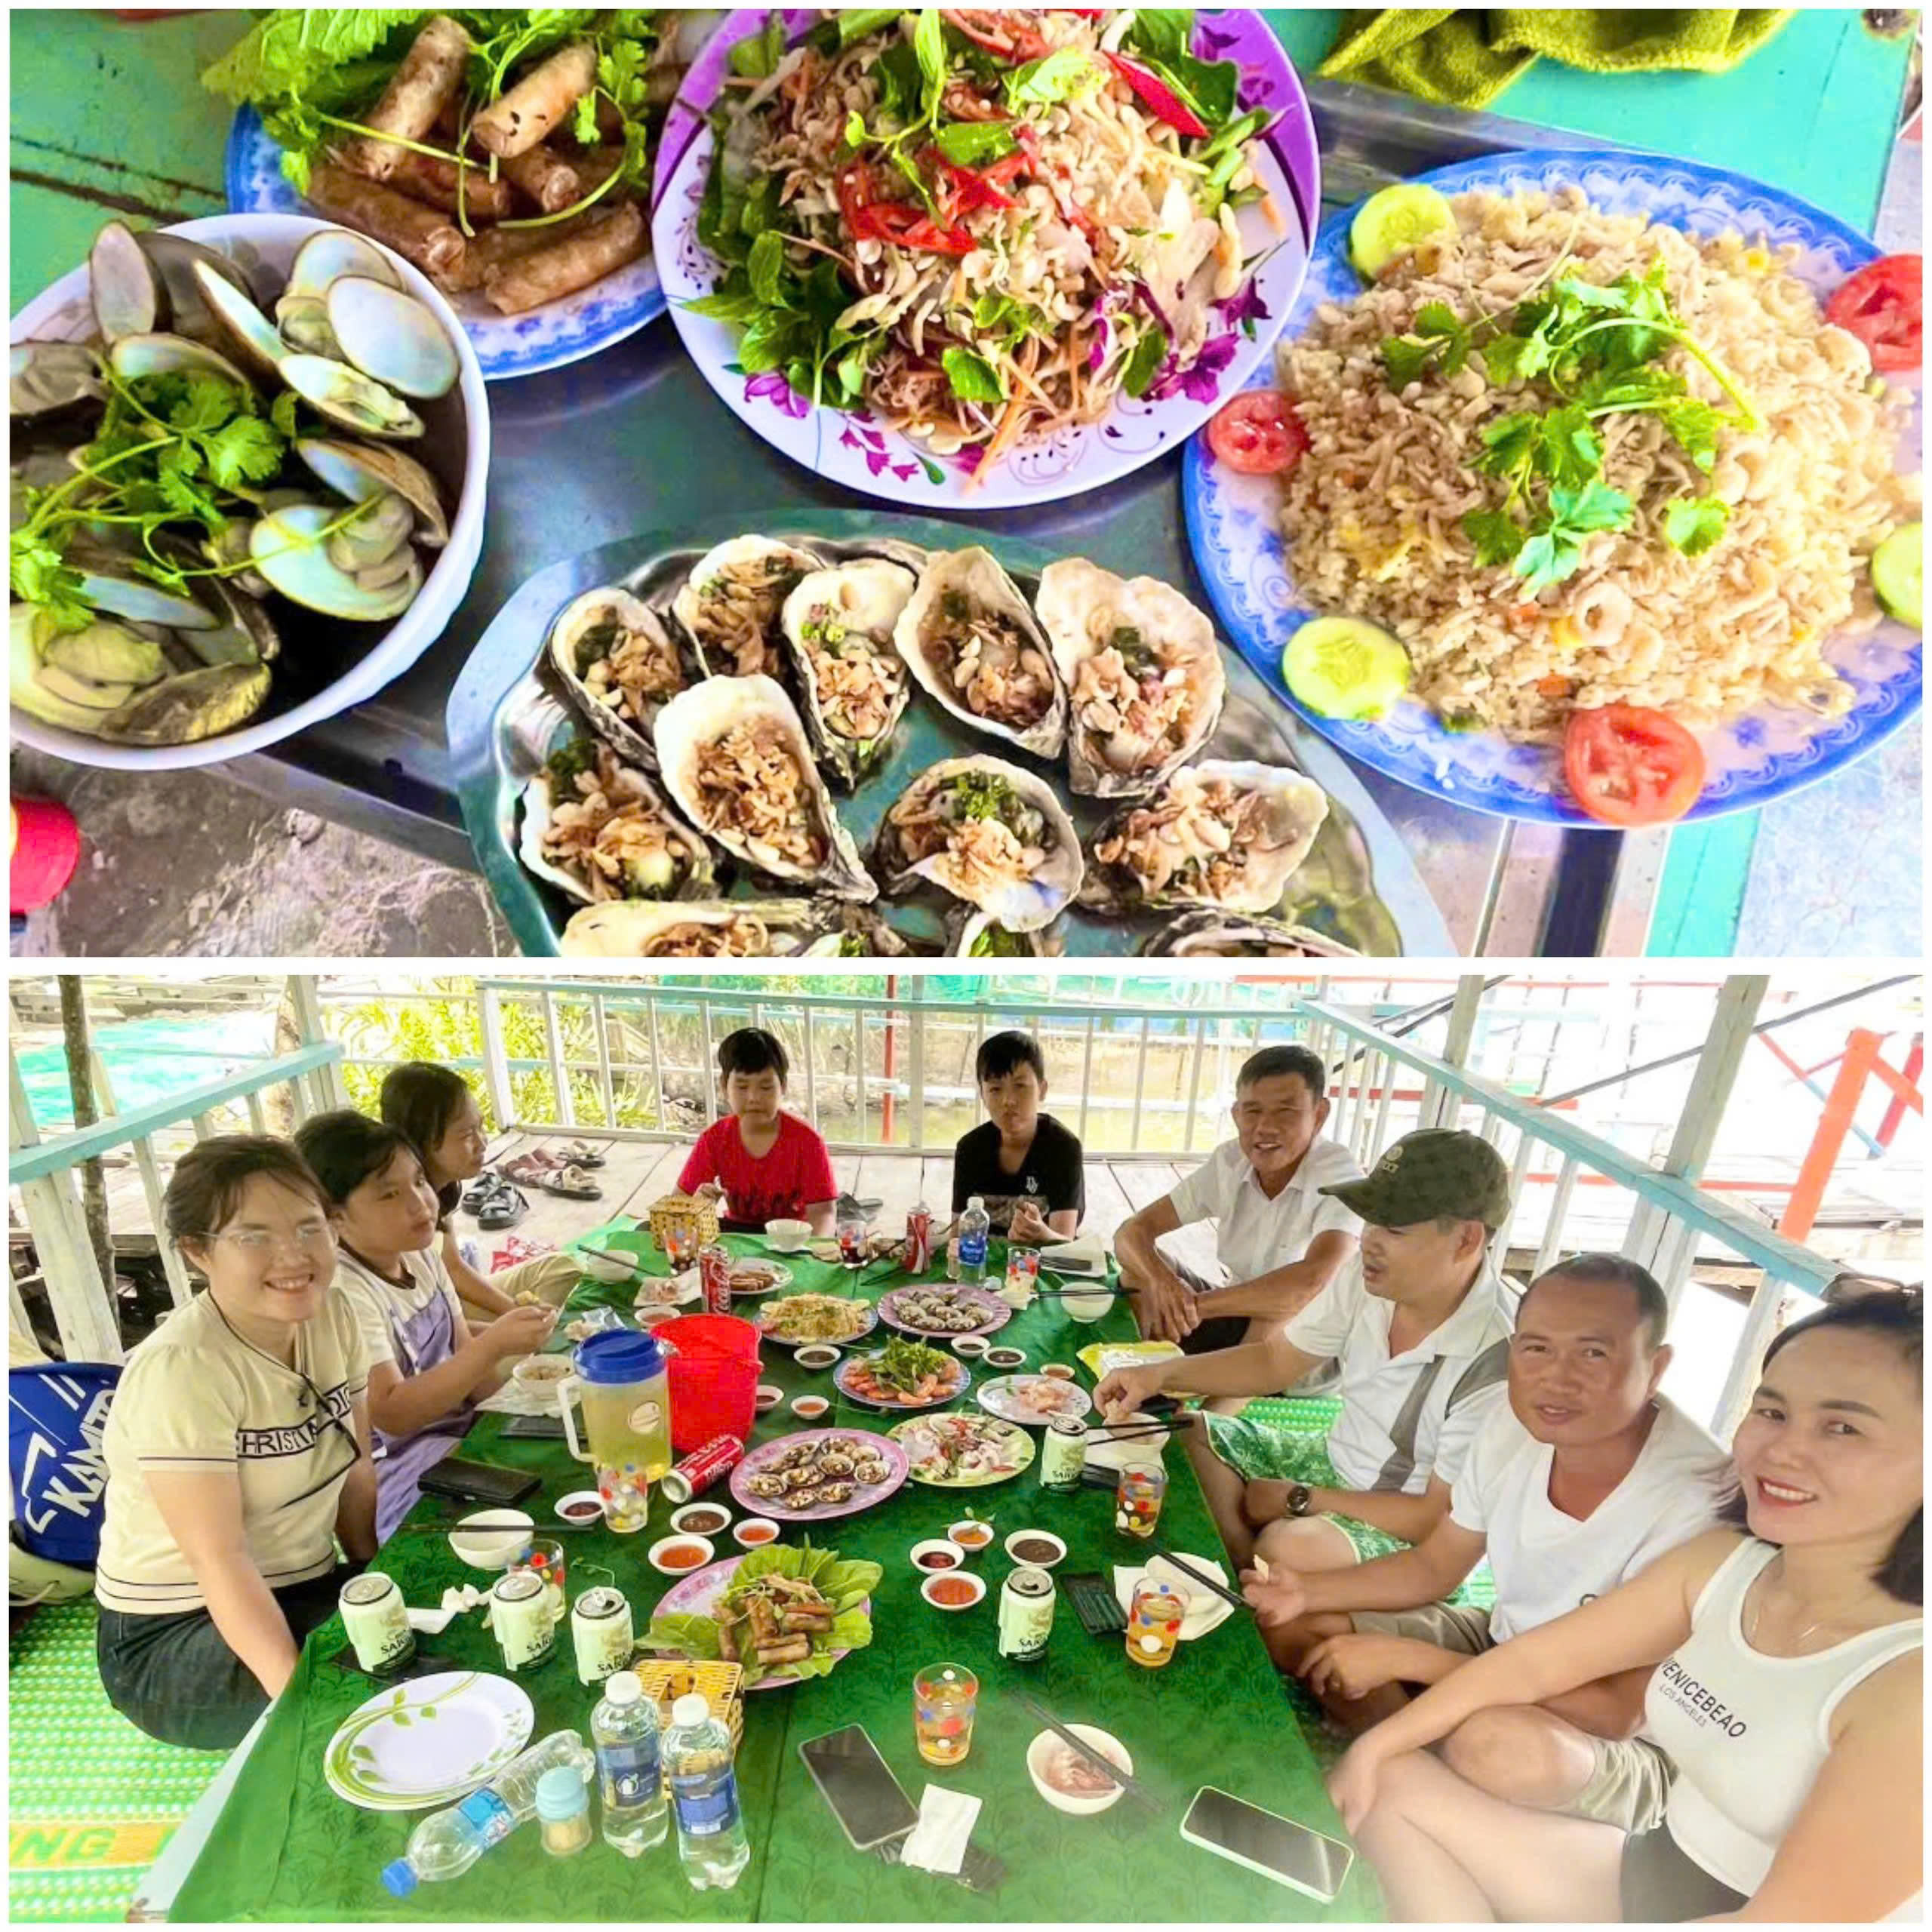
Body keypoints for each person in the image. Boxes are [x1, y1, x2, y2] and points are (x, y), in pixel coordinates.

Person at [1328, 1289, 1923, 1923]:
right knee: (1386, 1784)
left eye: (1843, 1427)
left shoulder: (1909, 1686)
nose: (1782, 1451)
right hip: (1642, 1874)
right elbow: (1530, 1666)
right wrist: (1374, 1748)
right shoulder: (1725, 1565)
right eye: (1772, 1412)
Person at [1242, 1254, 1731, 1839]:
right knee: (1296, 1626)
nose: (1557, 1377)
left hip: (1619, 1739)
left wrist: (1407, 1660)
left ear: (1656, 1368)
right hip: (1501, 1645)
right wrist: (1305, 1593)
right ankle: (1406, 1772)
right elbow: (1433, 1567)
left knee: (1500, 1746)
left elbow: (1617, 1712)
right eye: (1536, 1349)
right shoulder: (1510, 1426)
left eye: (1593, 1353)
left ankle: (1410, 1785)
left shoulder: (1699, 1503)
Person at [1098, 1128, 1515, 1568]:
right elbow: (1275, 1360)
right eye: (1370, 1219)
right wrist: (1157, 1375)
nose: (1368, 1239)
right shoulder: (1369, 1276)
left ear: (1466, 1240)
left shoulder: (1496, 1360)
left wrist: (1299, 1500)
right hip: (1330, 1459)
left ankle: (1256, 1570)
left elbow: (1435, 1517)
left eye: (1392, 1228)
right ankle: (1246, 1576)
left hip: (1400, 1516)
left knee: (1288, 1547)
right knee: (1185, 1433)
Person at [94, 1137, 379, 1749]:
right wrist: (304, 1709)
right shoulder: (183, 1370)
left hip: (297, 1588)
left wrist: (374, 1574)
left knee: (421, 1620)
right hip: (171, 1636)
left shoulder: (335, 1313)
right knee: (371, 1686)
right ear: (198, 1251)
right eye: (254, 1237)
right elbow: (218, 1559)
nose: (293, 1256)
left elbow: (357, 1469)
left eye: (310, 1228)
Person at [294, 1112, 555, 1543]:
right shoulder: (345, 1293)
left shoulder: (420, 1253)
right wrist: (492, 1346)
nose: (420, 1203)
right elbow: (394, 1414)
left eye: (418, 1181)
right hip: (403, 1467)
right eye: (389, 1195)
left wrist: (507, 1422)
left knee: (555, 1458)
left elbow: (467, 1356)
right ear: (334, 1218)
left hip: (458, 1433)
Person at [1112, 1044, 1361, 1354]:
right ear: (1236, 1114)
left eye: (1286, 1111)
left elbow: (1312, 1282)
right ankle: (1152, 1368)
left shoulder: (1340, 1176)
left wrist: (1194, 1305)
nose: (1266, 1127)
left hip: (1303, 1341)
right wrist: (1164, 1284)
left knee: (1280, 1307)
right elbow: (1131, 1233)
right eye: (1253, 1111)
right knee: (1141, 1270)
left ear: (1320, 1114)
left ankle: (1211, 1400)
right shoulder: (1230, 1161)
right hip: (1231, 1311)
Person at [379, 1063, 582, 1316]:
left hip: (452, 1298)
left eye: (481, 1127)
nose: (482, 1142)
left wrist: (513, 1312)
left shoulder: (439, 1190)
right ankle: (533, 1344)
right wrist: (514, 1318)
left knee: (561, 1267)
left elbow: (454, 1267)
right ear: (423, 1139)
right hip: (433, 1317)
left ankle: (537, 1335)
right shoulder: (405, 1209)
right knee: (517, 1337)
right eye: (466, 1135)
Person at [678, 1029, 838, 1235]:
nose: (753, 1098)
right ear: (724, 1087)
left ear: (783, 1087)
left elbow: (823, 1213)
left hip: (791, 1237)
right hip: (736, 1233)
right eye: (742, 1087)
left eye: (766, 1087)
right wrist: (696, 1206)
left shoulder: (807, 1142)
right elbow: (677, 1205)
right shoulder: (715, 1138)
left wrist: (814, 1252)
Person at [949, 1030, 1084, 1244]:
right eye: (995, 1089)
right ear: (983, 1096)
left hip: (1041, 1264)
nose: (1008, 1101)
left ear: (1042, 1089)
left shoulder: (1063, 1148)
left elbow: (1064, 1241)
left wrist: (1043, 1235)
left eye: (1020, 1086)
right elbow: (957, 1232)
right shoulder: (970, 1148)